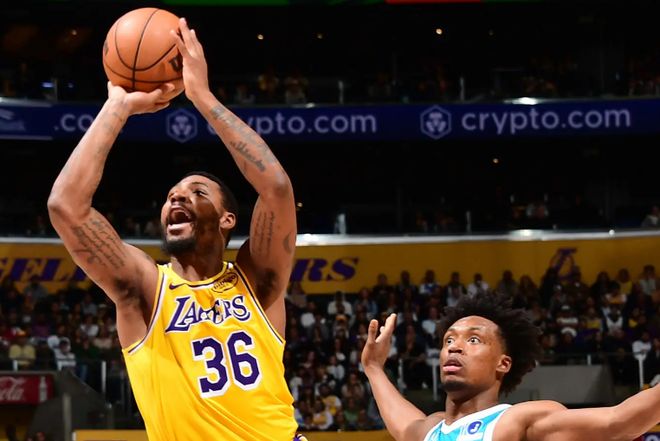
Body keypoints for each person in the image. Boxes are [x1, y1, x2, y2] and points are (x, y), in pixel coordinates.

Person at [47, 17, 302, 441]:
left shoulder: (256, 280)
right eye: (171, 196)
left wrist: (202, 97)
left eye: (196, 192)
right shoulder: (146, 288)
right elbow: (65, 206)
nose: (177, 198)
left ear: (227, 219)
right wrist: (117, 107)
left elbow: (275, 188)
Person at [361, 293, 660, 441]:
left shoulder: (516, 422)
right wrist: (373, 367)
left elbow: (617, 422)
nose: (454, 346)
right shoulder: (431, 431)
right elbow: (402, 424)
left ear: (503, 363)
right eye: (448, 339)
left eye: (474, 339)